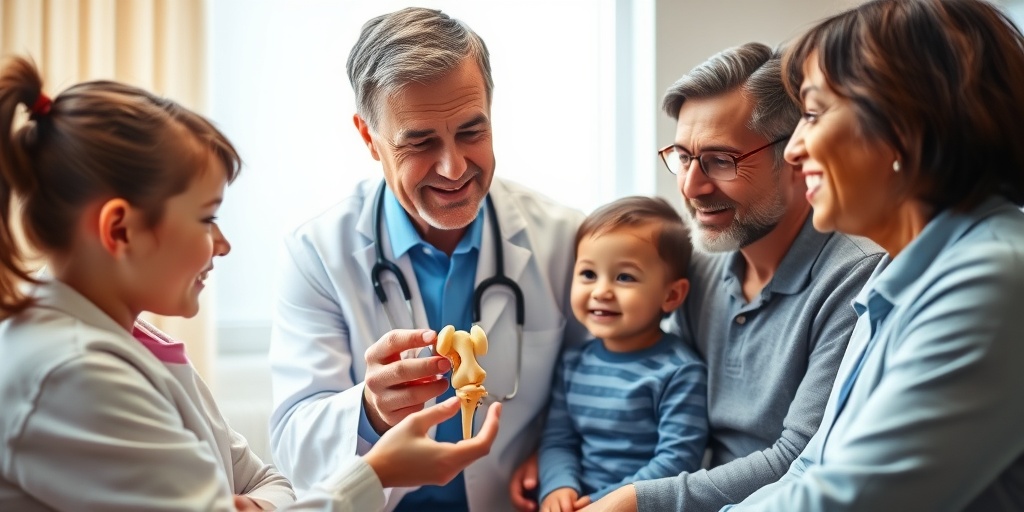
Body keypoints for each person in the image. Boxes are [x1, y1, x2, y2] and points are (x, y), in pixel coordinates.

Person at [0, 54, 500, 511]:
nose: (222, 245)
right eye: (205, 219)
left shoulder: (133, 344)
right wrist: (377, 470)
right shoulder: (70, 375)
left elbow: (265, 478)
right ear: (120, 229)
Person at [267, 7, 586, 511]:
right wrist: (369, 410)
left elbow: (599, 389)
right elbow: (291, 446)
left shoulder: (566, 240)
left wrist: (557, 460)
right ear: (369, 138)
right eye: (420, 142)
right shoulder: (317, 254)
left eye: (470, 132)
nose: (453, 167)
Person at [549, 43, 885, 512]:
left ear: (796, 156)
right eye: (684, 157)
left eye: (721, 160)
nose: (691, 187)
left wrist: (636, 500)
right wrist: (556, 470)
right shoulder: (701, 264)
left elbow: (801, 458)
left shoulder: (854, 278)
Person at [725, 0, 1024, 509]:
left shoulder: (995, 277)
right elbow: (812, 467)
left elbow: (849, 500)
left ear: (906, 122)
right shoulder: (896, 271)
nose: (794, 150)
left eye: (814, 114)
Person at [538, 196, 709, 512]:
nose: (601, 291)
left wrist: (608, 501)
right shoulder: (573, 363)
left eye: (624, 277)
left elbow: (677, 460)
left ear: (671, 295)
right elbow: (559, 440)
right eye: (588, 274)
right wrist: (558, 487)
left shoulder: (680, 371)